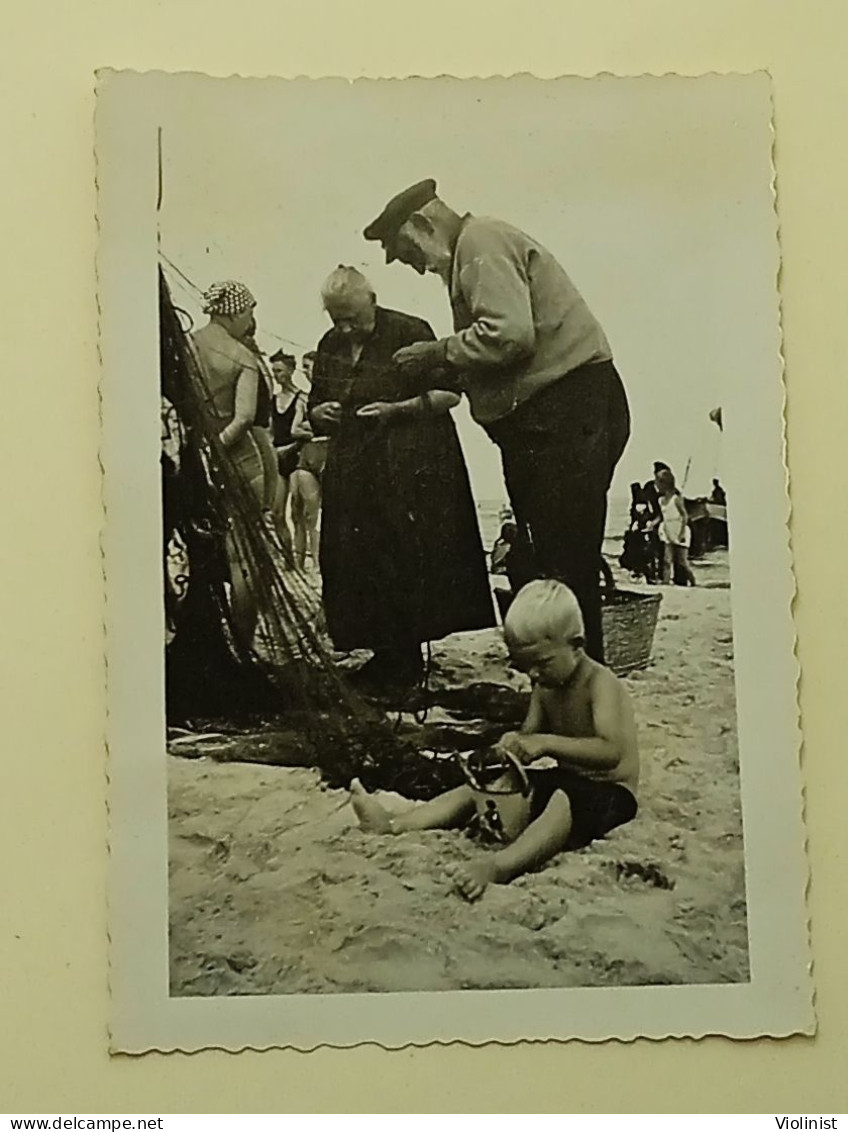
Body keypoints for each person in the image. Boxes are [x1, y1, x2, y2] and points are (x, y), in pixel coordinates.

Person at [363, 179, 630, 664]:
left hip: (566, 412)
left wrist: (438, 351)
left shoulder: (480, 244)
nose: (417, 267)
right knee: (552, 560)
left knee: (565, 565)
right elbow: (503, 353)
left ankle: (580, 693)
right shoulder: (473, 250)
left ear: (422, 226)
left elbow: (509, 335)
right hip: (554, 417)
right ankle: (564, 687)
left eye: (407, 253)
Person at [350, 579, 639, 900]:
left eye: (542, 662)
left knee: (561, 802)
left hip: (612, 792)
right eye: (525, 665)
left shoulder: (600, 683)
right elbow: (529, 735)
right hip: (567, 779)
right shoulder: (545, 686)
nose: (533, 674)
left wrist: (545, 743)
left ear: (577, 644)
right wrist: (512, 745)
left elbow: (611, 751)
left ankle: (498, 867)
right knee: (481, 786)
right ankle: (395, 825)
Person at [308, 265, 496, 687]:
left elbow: (450, 395)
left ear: (371, 301)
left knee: (402, 557)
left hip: (407, 467)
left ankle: (405, 657)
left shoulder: (409, 330)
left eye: (353, 317)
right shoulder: (329, 344)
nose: (346, 327)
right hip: (353, 468)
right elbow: (314, 403)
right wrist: (320, 413)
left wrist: (397, 411)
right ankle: (383, 652)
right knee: (357, 558)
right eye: (337, 318)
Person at [188, 280, 278, 649]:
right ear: (234, 311)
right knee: (245, 562)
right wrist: (218, 450)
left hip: (193, 462)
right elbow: (243, 419)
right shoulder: (243, 357)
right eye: (250, 312)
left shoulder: (185, 347)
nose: (251, 319)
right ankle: (243, 644)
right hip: (241, 464)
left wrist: (201, 454)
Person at [267, 350, 311, 557]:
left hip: (295, 456)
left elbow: (304, 434)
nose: (276, 375)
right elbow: (269, 431)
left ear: (291, 371)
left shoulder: (302, 399)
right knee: (276, 513)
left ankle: (300, 561)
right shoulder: (272, 400)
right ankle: (287, 558)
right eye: (274, 371)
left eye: (280, 370)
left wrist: (290, 448)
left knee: (296, 512)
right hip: (277, 456)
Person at [656, 468, 697, 586]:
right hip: (667, 530)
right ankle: (666, 582)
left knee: (682, 562)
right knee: (666, 560)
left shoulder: (676, 499)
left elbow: (684, 515)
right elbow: (662, 516)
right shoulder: (661, 500)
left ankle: (693, 582)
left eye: (658, 483)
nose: (657, 486)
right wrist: (652, 525)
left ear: (664, 484)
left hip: (679, 529)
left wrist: (682, 532)